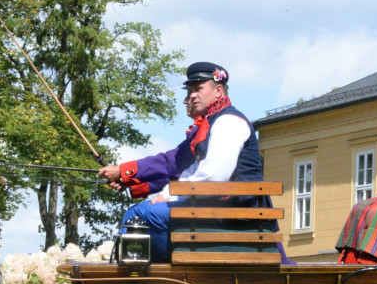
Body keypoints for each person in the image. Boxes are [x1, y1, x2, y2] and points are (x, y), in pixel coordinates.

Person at [97, 62, 267, 262]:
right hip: (220, 207)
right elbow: (189, 170)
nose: (191, 96)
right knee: (137, 211)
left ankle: (155, 277)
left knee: (148, 215)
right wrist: (160, 192)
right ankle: (130, 272)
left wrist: (170, 196)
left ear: (219, 90)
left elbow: (213, 177)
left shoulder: (228, 122)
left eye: (198, 89)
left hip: (235, 213)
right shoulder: (212, 123)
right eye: (190, 90)